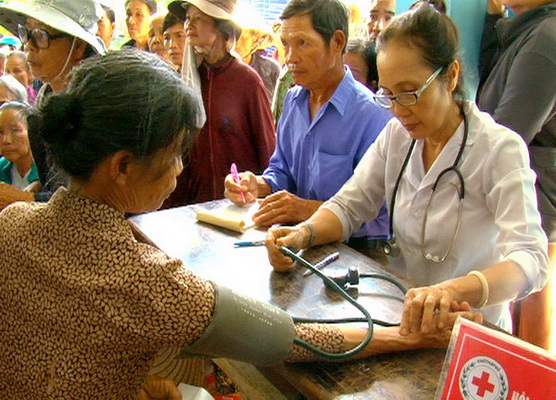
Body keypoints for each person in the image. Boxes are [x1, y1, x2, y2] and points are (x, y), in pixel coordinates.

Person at [0, 49, 481, 399]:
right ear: (122, 166)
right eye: (174, 156)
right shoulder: (142, 279)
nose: (181, 170)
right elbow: (287, 337)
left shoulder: (13, 224)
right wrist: (404, 335)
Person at [265, 4, 549, 334]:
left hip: (471, 327)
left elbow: (531, 261)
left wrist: (452, 290)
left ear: (451, 75)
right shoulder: (398, 136)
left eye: (410, 92)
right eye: (388, 94)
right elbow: (349, 205)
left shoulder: (498, 150)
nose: (399, 109)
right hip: (403, 316)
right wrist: (303, 234)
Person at [225, 0, 391, 261]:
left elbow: (381, 219)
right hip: (295, 247)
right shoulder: (293, 101)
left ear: (337, 43)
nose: (290, 58)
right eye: (286, 45)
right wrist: (256, 184)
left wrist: (307, 210)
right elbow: (282, 172)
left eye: (303, 43)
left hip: (353, 258)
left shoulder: (373, 115)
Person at [477, 0, 556, 349]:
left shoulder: (546, 38)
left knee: (528, 306)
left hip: (534, 200)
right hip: (519, 191)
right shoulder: (526, 27)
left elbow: (510, 129)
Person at [163, 0, 275, 206]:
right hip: (196, 206)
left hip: (239, 205)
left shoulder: (247, 81)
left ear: (221, 27)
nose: (189, 25)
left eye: (199, 19)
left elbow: (267, 150)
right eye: (188, 18)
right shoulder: (189, 79)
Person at [0, 0, 106, 208]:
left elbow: (97, 201)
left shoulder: (97, 109)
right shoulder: (46, 96)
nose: (28, 46)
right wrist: (38, 187)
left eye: (40, 36)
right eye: (26, 33)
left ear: (79, 46)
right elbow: (58, 182)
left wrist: (29, 200)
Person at [0, 101, 38, 191]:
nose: (6, 140)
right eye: (0, 132)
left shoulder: (48, 172)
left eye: (15, 131)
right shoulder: (2, 167)